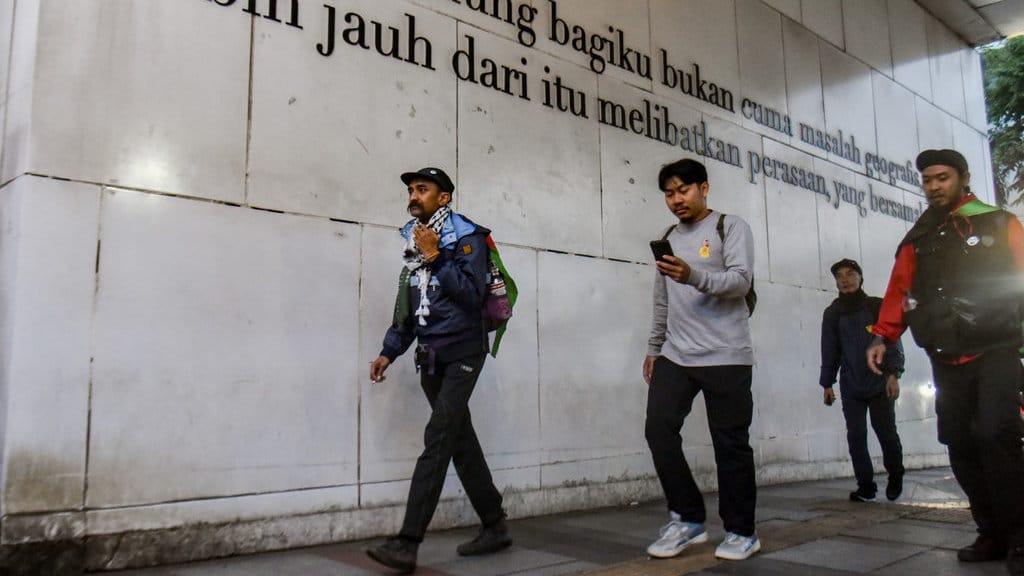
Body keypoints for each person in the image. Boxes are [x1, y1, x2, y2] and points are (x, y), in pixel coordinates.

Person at [866, 149, 1024, 575]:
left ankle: (1019, 535)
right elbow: (899, 288)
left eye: (943, 178)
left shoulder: (999, 221)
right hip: (946, 353)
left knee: (997, 434)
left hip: (998, 347)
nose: (934, 186)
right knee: (960, 441)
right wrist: (883, 335)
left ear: (963, 178)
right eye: (928, 180)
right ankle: (989, 531)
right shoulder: (920, 235)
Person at [366, 167, 510, 574]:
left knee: (438, 439)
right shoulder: (414, 239)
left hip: (464, 350)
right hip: (429, 356)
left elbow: (470, 295)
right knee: (459, 441)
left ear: (443, 198)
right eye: (411, 190)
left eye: (423, 189)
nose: (414, 195)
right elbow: (412, 306)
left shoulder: (467, 238)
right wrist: (389, 351)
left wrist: (436, 254)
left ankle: (407, 543)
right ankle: (495, 525)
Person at [642, 158, 760, 561]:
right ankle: (688, 518)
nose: (676, 200)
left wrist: (693, 274)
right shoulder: (668, 235)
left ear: (704, 188)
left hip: (726, 354)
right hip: (676, 353)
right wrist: (655, 347)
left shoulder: (731, 226)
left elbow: (740, 281)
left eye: (683, 190)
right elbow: (663, 297)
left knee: (730, 444)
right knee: (658, 430)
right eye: (669, 193)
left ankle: (742, 531)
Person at [819, 258, 905, 503]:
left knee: (886, 432)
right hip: (851, 385)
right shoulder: (833, 313)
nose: (845, 279)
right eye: (839, 276)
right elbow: (830, 349)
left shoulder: (877, 307)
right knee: (856, 436)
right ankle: (866, 487)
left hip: (880, 383)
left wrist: (893, 374)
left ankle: (895, 475)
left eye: (850, 274)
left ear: (860, 277)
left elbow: (892, 342)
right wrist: (827, 383)